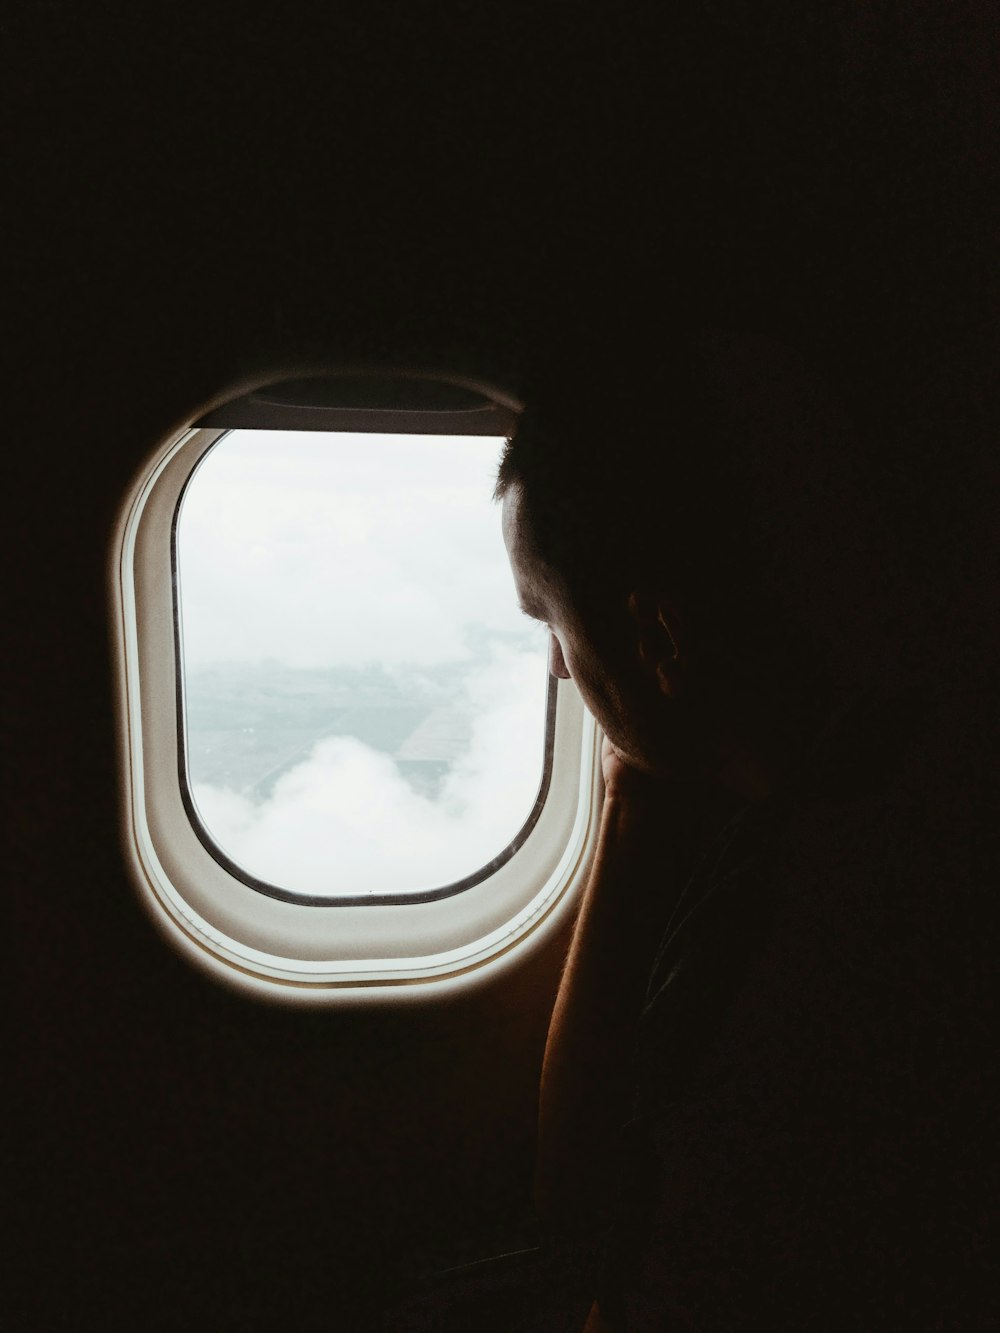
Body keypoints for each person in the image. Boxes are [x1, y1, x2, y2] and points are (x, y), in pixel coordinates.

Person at [494, 333, 996, 1330]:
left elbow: (604, 1227)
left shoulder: (827, 926)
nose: (557, 668)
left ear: (661, 639)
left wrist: (630, 795)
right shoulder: (862, 785)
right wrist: (629, 797)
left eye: (550, 621)